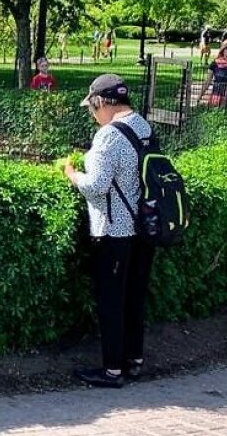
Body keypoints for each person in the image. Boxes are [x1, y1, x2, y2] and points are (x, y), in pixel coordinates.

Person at [61, 74, 156, 388]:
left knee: (111, 300)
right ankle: (134, 361)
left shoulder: (108, 135)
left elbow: (97, 186)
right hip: (144, 228)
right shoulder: (143, 125)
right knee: (134, 297)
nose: (92, 114)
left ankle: (112, 370)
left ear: (101, 102)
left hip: (115, 231)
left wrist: (71, 173)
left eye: (92, 107)